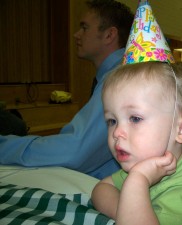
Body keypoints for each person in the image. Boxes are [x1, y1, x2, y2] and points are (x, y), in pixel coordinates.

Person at [91, 62, 182, 225]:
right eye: (112, 121)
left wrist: (137, 181)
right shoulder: (145, 161)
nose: (117, 132)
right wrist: (128, 211)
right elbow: (101, 189)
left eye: (135, 118)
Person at [0, 0, 134, 179]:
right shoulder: (119, 73)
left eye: (84, 27)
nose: (76, 35)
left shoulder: (119, 78)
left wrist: (4, 146)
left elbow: (75, 151)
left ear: (109, 35)